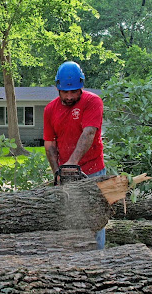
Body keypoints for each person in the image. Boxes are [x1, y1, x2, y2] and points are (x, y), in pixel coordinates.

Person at [43, 61, 106, 249]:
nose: (69, 96)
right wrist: (58, 172)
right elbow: (49, 144)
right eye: (65, 92)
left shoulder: (92, 101)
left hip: (93, 170)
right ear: (58, 88)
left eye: (74, 91)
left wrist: (72, 162)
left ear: (81, 86)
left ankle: (97, 258)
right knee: (68, 217)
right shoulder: (50, 109)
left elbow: (88, 133)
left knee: (95, 217)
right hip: (66, 174)